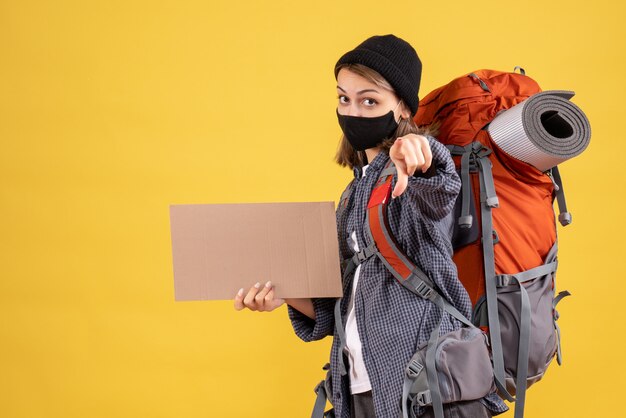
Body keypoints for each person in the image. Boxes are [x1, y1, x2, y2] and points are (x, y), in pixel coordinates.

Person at [234, 34, 507, 418]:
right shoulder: (351, 196)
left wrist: (418, 156)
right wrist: (283, 295)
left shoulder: (412, 171)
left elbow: (441, 188)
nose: (353, 111)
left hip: (426, 389)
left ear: (402, 109)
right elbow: (336, 306)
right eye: (344, 98)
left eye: (370, 100)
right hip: (362, 388)